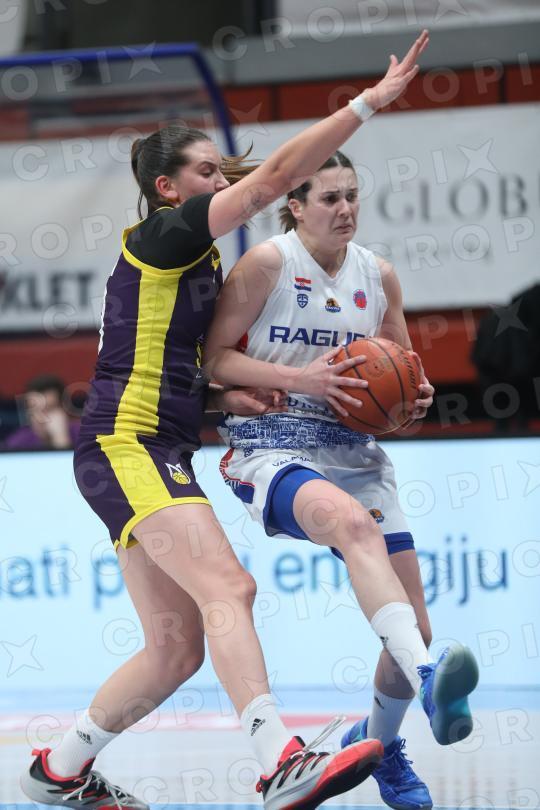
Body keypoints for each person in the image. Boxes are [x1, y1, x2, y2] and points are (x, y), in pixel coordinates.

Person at [21, 29, 428, 810]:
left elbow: (156, 362)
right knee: (230, 588)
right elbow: (275, 177)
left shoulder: (192, 261)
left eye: (219, 171)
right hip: (127, 444)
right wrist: (368, 103)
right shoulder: (167, 234)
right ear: (168, 188)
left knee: (175, 650)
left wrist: (224, 398)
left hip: (150, 443)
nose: (219, 181)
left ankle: (59, 771)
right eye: (205, 172)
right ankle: (278, 761)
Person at [204, 148, 479, 810]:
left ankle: (380, 745)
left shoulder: (378, 275)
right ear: (296, 206)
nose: (346, 208)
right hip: (273, 442)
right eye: (330, 197)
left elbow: (403, 374)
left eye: (353, 195)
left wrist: (411, 400)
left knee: (415, 626)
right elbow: (213, 362)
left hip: (354, 452)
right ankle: (429, 676)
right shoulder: (266, 264)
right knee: (355, 528)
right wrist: (299, 379)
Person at [3, 374, 80, 451]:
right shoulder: (19, 440)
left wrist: (60, 436)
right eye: (36, 410)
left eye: (49, 410)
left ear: (64, 409)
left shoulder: (82, 434)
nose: (42, 417)